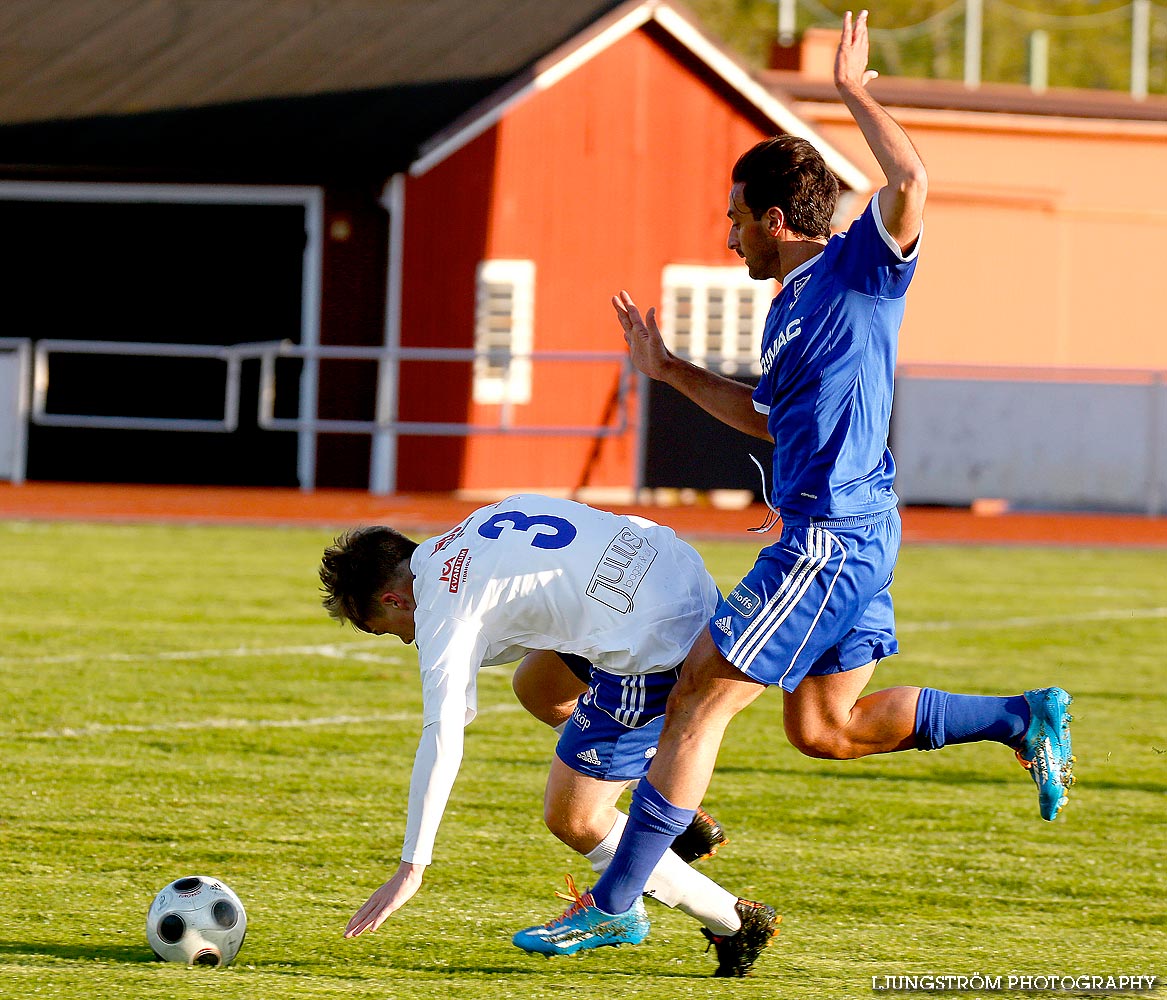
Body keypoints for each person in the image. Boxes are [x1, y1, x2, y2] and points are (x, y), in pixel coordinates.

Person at [512, 9, 1074, 955]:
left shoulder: (857, 269)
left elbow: (911, 183)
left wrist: (855, 93)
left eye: (734, 218)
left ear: (774, 219)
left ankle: (613, 905)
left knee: (697, 693)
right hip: (842, 527)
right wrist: (672, 371)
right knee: (826, 728)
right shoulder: (787, 312)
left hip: (832, 535)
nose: (727, 236)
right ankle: (1021, 716)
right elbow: (769, 421)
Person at [318, 493, 781, 976]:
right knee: (538, 686)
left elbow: (443, 737)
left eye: (391, 629)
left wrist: (412, 865)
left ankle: (730, 919)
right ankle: (670, 808)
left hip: (655, 644)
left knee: (573, 816)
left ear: (395, 599)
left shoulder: (441, 608)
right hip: (677, 576)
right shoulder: (481, 522)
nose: (407, 639)